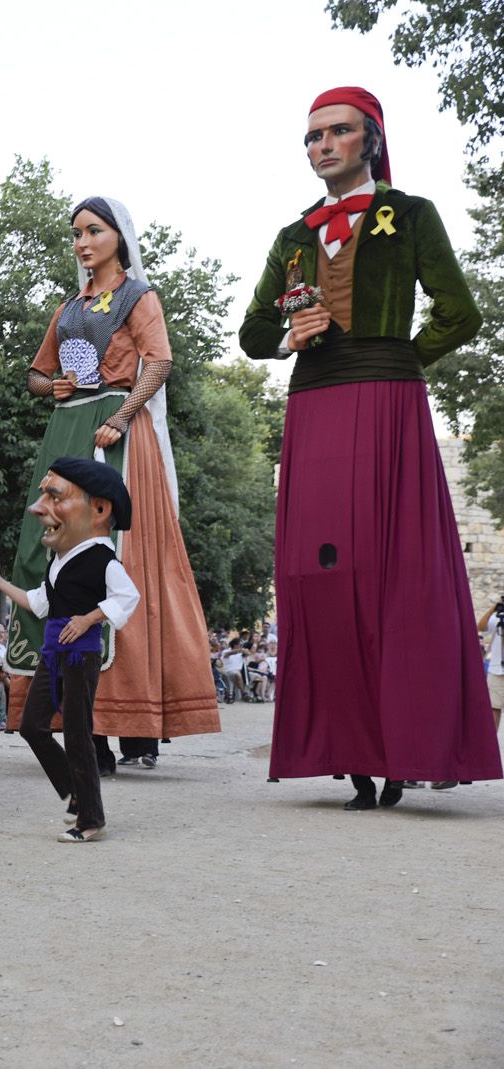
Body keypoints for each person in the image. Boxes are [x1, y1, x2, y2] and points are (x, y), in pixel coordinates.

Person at [238, 86, 501, 809]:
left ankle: (406, 748)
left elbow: (461, 313)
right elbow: (253, 332)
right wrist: (287, 337)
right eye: (312, 135)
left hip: (386, 400)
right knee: (317, 575)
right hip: (313, 403)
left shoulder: (410, 215)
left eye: (338, 131)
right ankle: (348, 749)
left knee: (397, 574)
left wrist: (401, 358)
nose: (322, 144)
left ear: (371, 140)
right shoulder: (293, 236)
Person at [4, 197, 219, 771]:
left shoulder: (138, 296)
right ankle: (78, 724)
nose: (82, 242)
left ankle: (132, 720)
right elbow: (37, 373)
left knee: (121, 552)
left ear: (119, 237)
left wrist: (122, 417)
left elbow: (159, 362)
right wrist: (51, 385)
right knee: (50, 551)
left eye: (93, 231)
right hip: (67, 426)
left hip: (115, 431)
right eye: (76, 233)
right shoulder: (69, 307)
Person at [0, 456, 140, 843]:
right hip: (53, 654)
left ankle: (91, 820)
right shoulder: (60, 559)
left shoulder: (103, 558)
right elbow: (37, 602)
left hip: (80, 655)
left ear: (99, 510)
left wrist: (88, 619)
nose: (41, 510)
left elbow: (128, 596)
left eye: (56, 497)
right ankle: (74, 791)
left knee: (77, 733)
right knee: (32, 726)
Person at [481, 599, 503, 733]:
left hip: (496, 669)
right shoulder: (498, 617)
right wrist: (493, 609)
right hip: (497, 670)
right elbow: (480, 628)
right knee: (494, 710)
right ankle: (493, 742)